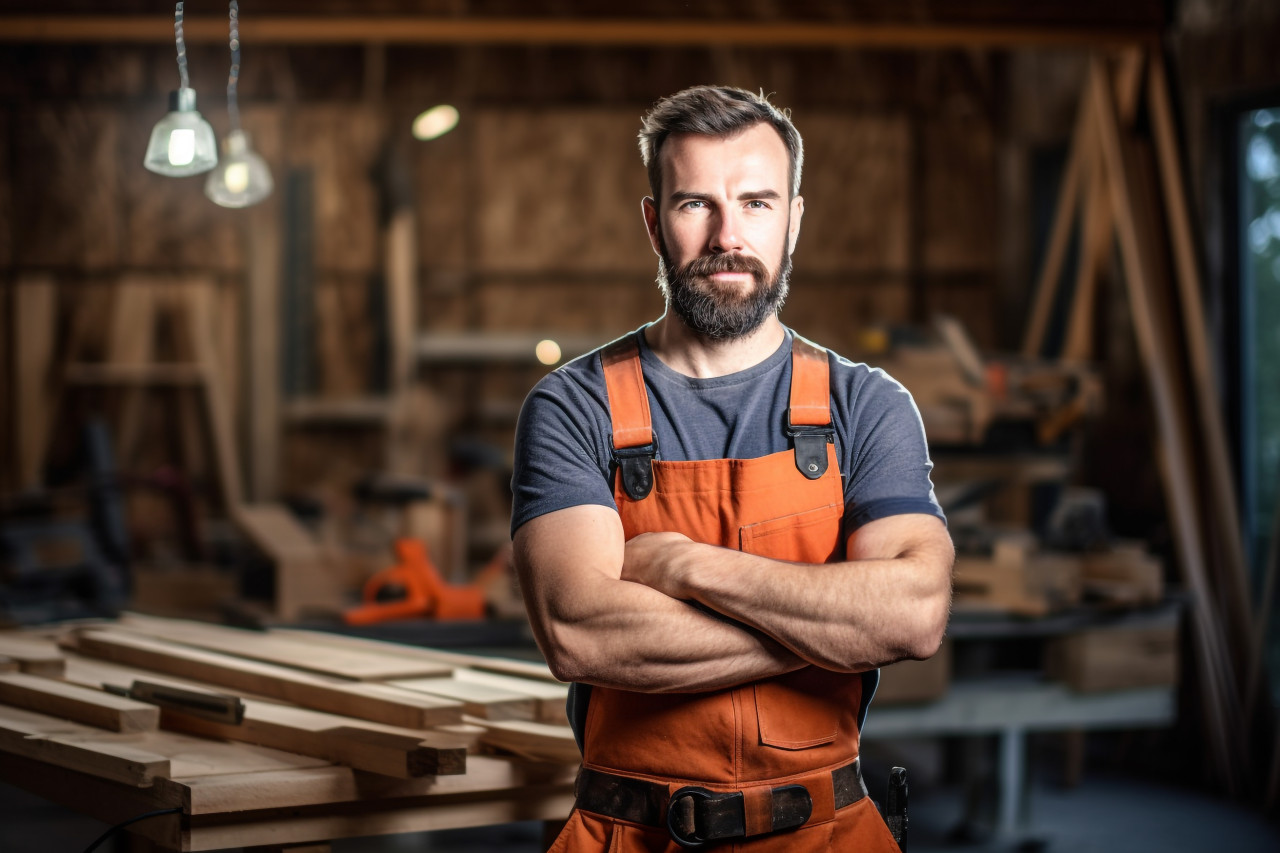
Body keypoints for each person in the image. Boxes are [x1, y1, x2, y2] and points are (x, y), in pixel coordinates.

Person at [511, 85, 954, 852]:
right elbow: (579, 632)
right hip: (630, 833)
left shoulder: (867, 405)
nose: (727, 235)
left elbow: (913, 614)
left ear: (794, 220)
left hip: (828, 834)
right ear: (654, 222)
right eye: (695, 204)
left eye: (755, 202)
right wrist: (835, 627)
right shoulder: (572, 406)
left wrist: (683, 566)